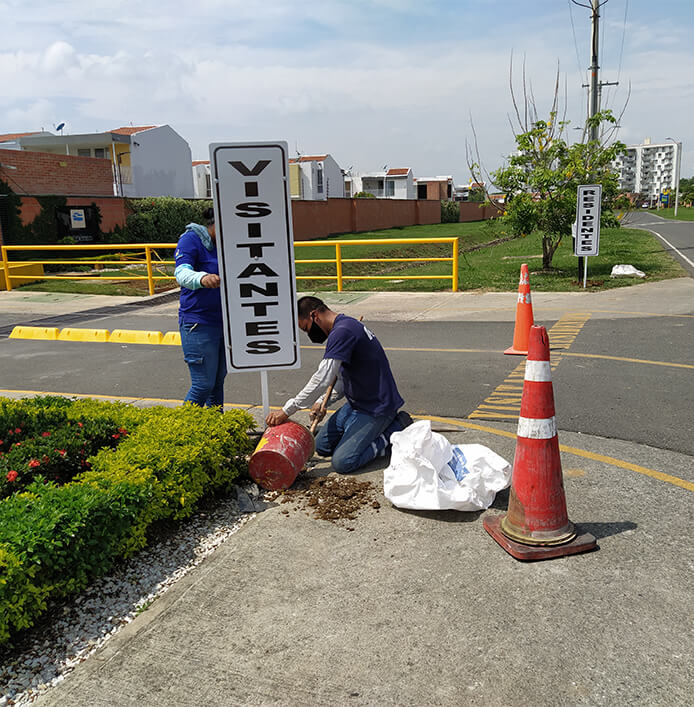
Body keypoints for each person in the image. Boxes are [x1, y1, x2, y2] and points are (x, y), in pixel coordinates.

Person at [266, 296, 411, 474]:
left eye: (306, 328)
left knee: (344, 462)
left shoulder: (343, 332)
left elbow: (323, 378)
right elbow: (341, 380)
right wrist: (321, 401)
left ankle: (396, 428)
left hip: (377, 407)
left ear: (314, 315)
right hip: (356, 404)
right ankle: (359, 434)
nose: (309, 334)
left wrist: (287, 410)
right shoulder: (344, 326)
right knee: (321, 446)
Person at [174, 207, 226, 407]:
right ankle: (183, 433)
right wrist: (202, 278)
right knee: (202, 385)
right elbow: (181, 273)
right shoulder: (190, 239)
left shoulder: (227, 245)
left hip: (224, 323)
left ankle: (215, 432)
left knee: (217, 384)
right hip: (198, 322)